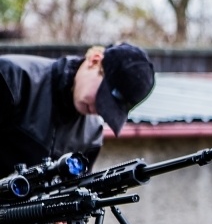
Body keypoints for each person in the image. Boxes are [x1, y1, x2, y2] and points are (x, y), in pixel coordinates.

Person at [0, 42, 155, 178]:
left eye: (109, 110)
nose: (98, 110)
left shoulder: (91, 136)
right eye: (102, 99)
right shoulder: (12, 79)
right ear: (94, 60)